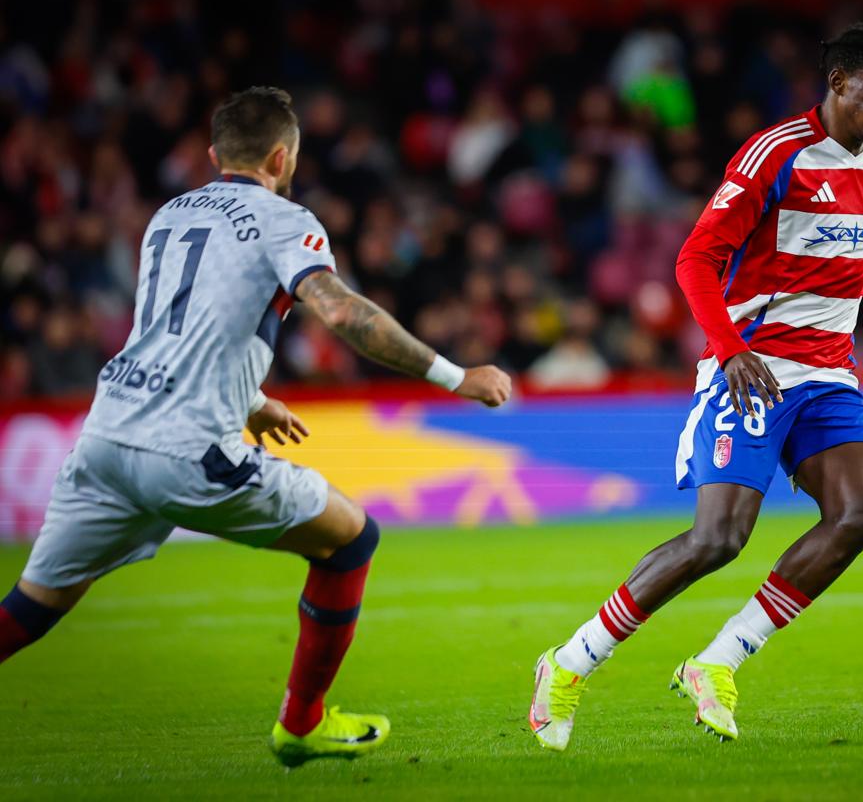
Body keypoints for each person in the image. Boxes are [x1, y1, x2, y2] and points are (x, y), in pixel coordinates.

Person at [0, 87, 512, 767]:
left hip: (104, 437)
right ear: (283, 155)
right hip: (185, 450)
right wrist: (456, 375)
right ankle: (302, 723)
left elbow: (175, 331)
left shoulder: (167, 216)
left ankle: (304, 724)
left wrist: (249, 399)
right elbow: (342, 314)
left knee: (32, 607)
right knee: (352, 540)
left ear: (215, 156)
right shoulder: (284, 219)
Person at [529, 23, 863, 749]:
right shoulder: (777, 154)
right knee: (718, 539)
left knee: (861, 515)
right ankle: (569, 664)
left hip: (828, 375)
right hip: (754, 367)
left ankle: (718, 660)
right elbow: (696, 259)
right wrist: (729, 351)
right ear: (838, 84)